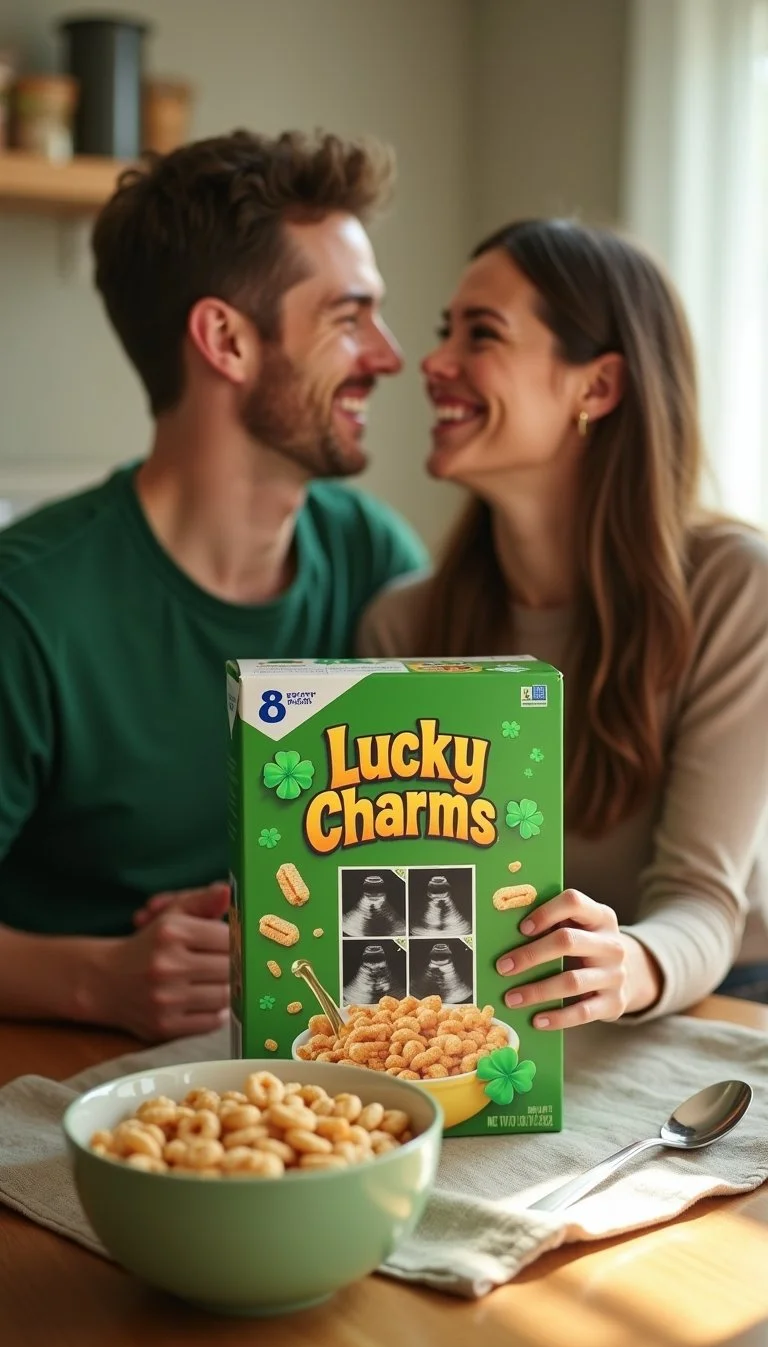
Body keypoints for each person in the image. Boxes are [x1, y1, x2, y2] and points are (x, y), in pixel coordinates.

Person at [0, 129, 427, 1041]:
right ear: (226, 340)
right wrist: (90, 978)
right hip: (71, 1085)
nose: (389, 357)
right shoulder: (27, 609)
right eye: (348, 318)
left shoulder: (375, 562)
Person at [359, 217, 768, 1025]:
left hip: (722, 1000)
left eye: (482, 334)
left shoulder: (734, 589)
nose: (433, 363)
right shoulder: (401, 627)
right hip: (509, 1005)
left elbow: (701, 901)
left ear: (598, 386)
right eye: (447, 332)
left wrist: (628, 966)